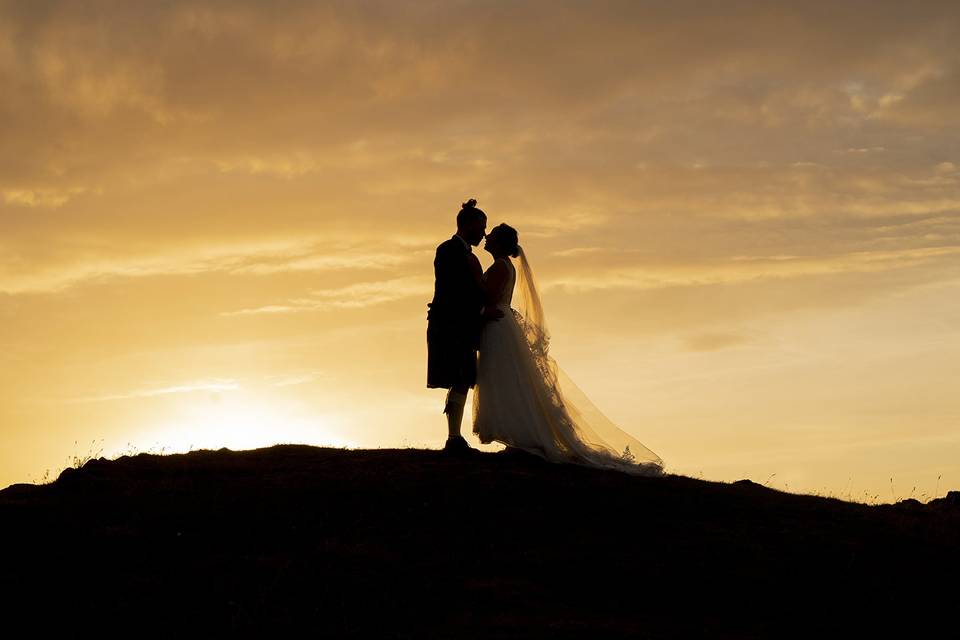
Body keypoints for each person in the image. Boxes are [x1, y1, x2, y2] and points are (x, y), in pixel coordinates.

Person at [471, 223, 664, 476]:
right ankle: (518, 438)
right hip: (501, 324)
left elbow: (489, 297)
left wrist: (473, 280)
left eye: (492, 235)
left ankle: (521, 438)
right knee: (511, 382)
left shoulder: (499, 266)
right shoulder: (504, 265)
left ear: (500, 243)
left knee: (505, 381)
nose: (486, 237)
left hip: (497, 325)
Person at [426, 198, 502, 454]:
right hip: (451, 325)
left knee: (463, 378)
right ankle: (454, 437)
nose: (483, 233)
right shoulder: (448, 250)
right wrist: (482, 310)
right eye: (481, 227)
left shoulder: (465, 254)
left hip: (462, 325)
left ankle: (454, 436)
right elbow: (453, 291)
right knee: (459, 376)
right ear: (467, 224)